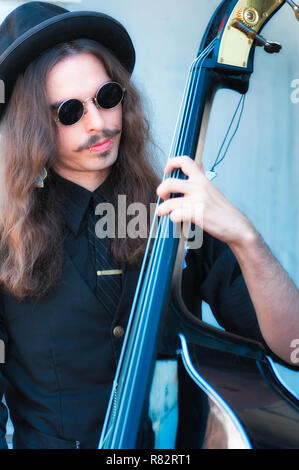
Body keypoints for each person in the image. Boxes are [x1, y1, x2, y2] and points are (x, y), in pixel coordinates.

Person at [0, 1, 297, 450]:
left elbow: (292, 349)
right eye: (68, 112)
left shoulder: (181, 211)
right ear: (31, 127)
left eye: (107, 98)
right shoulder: (6, 238)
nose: (99, 123)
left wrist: (245, 238)